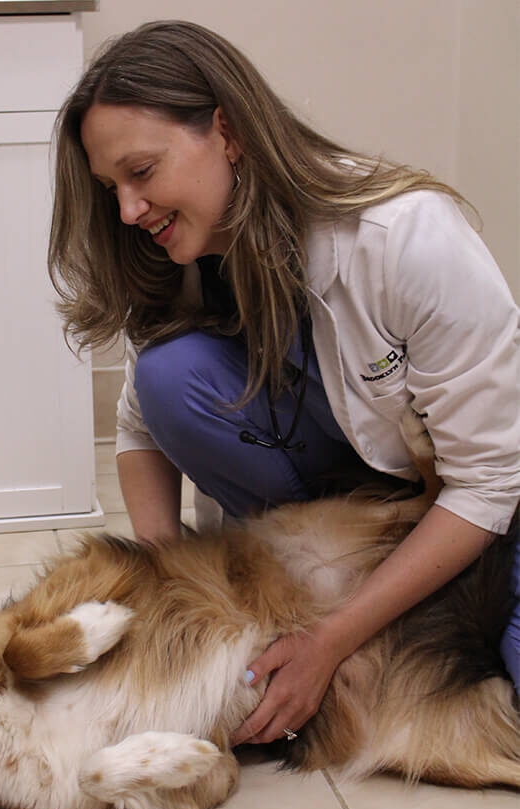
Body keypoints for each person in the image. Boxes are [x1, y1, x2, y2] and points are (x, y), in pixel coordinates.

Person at [48, 20, 520, 745]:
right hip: (339, 514)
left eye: (141, 173)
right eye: (111, 187)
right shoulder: (187, 258)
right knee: (169, 377)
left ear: (227, 132)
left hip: (486, 509)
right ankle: (328, 599)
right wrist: (164, 595)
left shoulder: (406, 239)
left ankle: (379, 610)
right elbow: (142, 422)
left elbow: (489, 484)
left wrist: (330, 643)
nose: (127, 211)